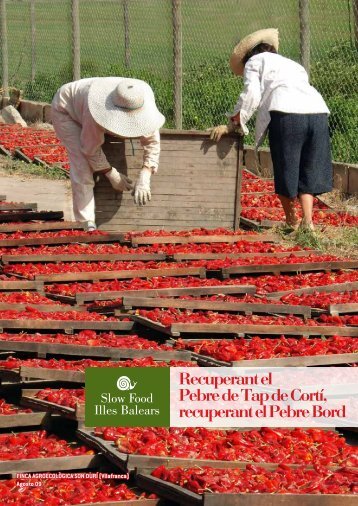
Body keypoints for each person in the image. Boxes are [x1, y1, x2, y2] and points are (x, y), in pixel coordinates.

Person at [209, 28, 332, 231]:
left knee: (286, 167)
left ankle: (291, 221)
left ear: (248, 55)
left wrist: (234, 123)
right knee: (307, 169)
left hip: (287, 113)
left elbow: (251, 95)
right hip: (318, 112)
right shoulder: (293, 64)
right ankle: (308, 222)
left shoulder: (254, 63)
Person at [51, 77, 165, 230]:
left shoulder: (139, 98)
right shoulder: (95, 111)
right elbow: (90, 148)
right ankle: (86, 224)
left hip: (86, 105)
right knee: (82, 166)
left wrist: (146, 174)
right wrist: (111, 174)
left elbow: (152, 142)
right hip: (67, 111)